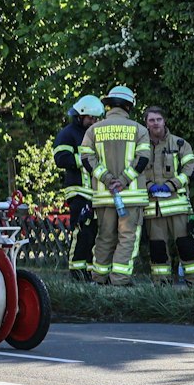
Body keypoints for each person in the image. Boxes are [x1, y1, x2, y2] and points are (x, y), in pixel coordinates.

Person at [78, 85, 153, 286]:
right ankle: (119, 280)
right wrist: (123, 180)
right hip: (131, 196)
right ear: (129, 106)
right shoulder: (139, 129)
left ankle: (99, 278)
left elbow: (86, 158)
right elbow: (143, 158)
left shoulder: (94, 130)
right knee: (127, 238)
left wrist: (107, 179)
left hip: (103, 196)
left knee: (104, 237)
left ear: (108, 105)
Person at [141, 106, 194, 286]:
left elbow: (192, 168)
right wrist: (148, 185)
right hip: (153, 209)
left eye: (158, 119)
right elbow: (135, 171)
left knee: (187, 247)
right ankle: (162, 288)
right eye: (151, 120)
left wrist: (172, 185)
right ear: (146, 123)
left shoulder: (179, 144)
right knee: (157, 250)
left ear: (164, 121)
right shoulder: (140, 146)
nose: (155, 123)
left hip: (177, 206)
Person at [53, 95, 102, 282]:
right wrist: (86, 161)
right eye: (91, 118)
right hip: (78, 191)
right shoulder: (68, 133)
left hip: (97, 193)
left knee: (94, 233)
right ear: (80, 116)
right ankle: (77, 271)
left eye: (96, 118)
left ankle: (90, 271)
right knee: (81, 230)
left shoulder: (96, 134)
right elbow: (61, 159)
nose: (94, 121)